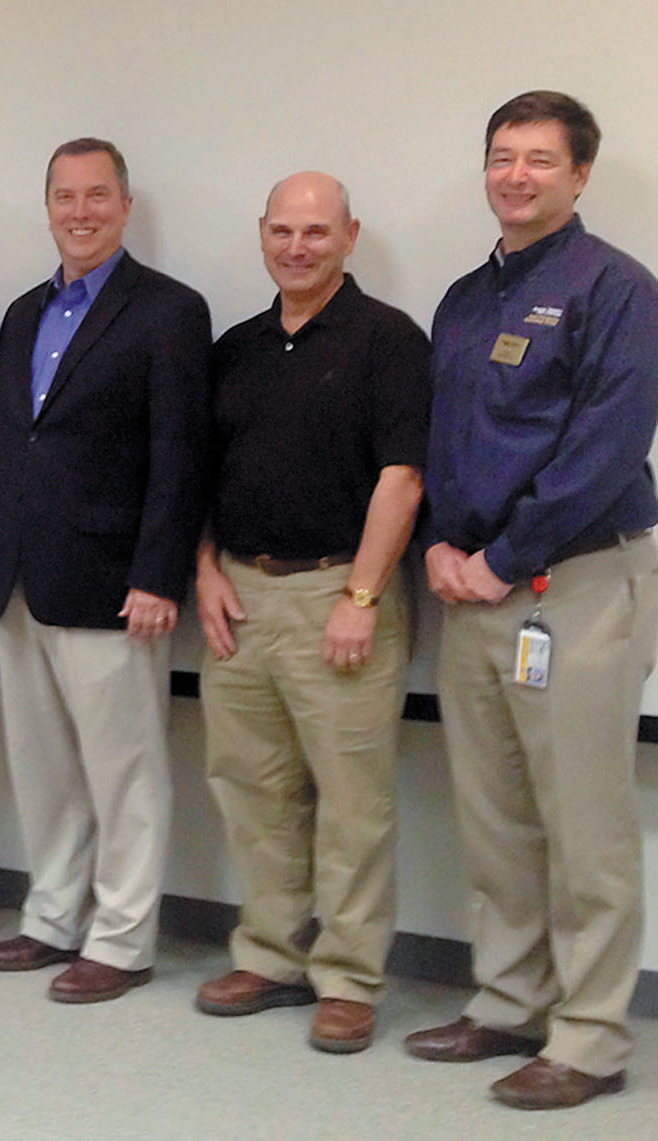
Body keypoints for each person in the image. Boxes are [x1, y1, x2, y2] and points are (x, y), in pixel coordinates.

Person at [406, 90, 658, 1111]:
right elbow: (438, 440)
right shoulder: (467, 297)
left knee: (583, 821)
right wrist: (439, 548)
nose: (515, 175)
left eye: (539, 160)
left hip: (575, 582)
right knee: (495, 812)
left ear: (579, 175)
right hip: (470, 586)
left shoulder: (619, 289)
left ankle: (591, 1039)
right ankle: (508, 999)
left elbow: (605, 447)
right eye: (501, 156)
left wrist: (503, 555)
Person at [191, 173, 429, 1054]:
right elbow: (198, 474)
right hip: (238, 601)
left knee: (351, 805)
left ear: (349, 236)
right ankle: (268, 956)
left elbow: (401, 477)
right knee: (253, 792)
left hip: (340, 596)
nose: (298, 245)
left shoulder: (388, 341)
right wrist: (204, 568)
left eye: (316, 231)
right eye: (282, 229)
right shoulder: (235, 347)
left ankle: (348, 978)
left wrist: (361, 596)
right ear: (260, 234)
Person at [0, 138, 210, 1003]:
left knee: (125, 772)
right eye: (65, 196)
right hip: (21, 581)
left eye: (97, 195)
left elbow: (178, 457)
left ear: (124, 205)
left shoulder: (168, 310)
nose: (80, 211)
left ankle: (121, 937)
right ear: (47, 207)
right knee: (42, 767)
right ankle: (50, 918)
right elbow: (5, 447)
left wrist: (157, 575)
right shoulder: (25, 312)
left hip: (116, 583)